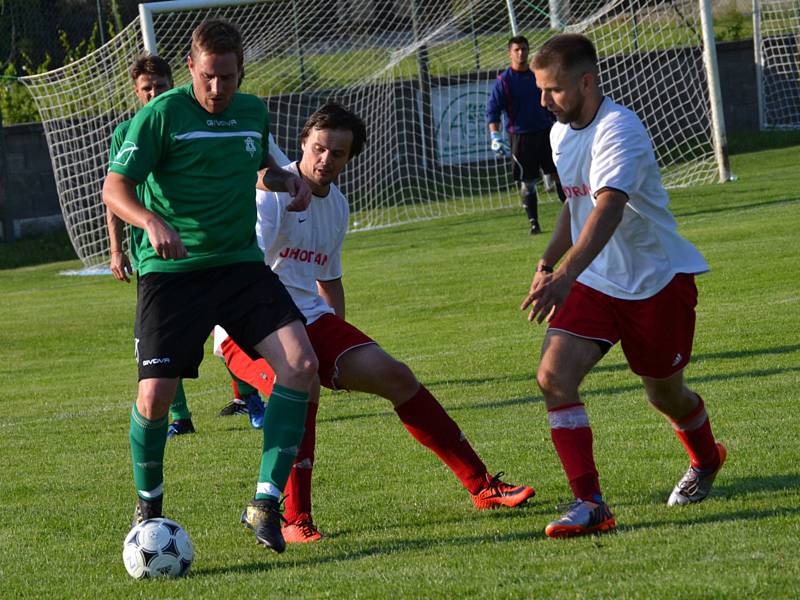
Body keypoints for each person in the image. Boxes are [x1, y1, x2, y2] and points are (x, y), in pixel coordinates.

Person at [217, 103, 536, 544]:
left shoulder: (339, 206)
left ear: (350, 158)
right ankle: (294, 519)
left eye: (338, 153)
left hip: (308, 318)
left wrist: (338, 352)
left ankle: (482, 487)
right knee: (302, 383)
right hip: (246, 323)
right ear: (303, 143)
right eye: (318, 148)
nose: (326, 159)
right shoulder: (271, 192)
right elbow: (245, 269)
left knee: (396, 376)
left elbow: (328, 280)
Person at [102, 19, 317, 554]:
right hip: (171, 273)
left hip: (239, 264)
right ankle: (148, 505)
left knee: (301, 365)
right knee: (155, 398)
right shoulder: (162, 114)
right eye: (207, 78)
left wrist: (287, 179)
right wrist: (150, 222)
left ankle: (265, 503)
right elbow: (114, 187)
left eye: (227, 78)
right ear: (192, 69)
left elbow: (257, 165)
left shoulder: (252, 111)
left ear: (240, 71)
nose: (217, 90)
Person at [520, 33, 726, 539]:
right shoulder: (560, 134)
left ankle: (706, 458)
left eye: (553, 90)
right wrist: (550, 262)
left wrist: (565, 275)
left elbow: (608, 207)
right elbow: (576, 205)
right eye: (540, 91)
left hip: (656, 281)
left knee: (665, 396)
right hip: (595, 280)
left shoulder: (620, 129)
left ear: (586, 81)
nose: (544, 102)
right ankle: (589, 502)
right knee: (553, 377)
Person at [105, 55, 266, 437]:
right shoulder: (131, 129)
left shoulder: (202, 116)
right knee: (160, 345)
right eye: (147, 89)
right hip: (154, 253)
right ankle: (179, 416)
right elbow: (113, 192)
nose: (154, 93)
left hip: (214, 251)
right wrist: (117, 250)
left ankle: (249, 396)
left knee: (227, 329)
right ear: (136, 92)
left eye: (160, 86)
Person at [486, 35, 561, 235]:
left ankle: (574, 214)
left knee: (559, 175)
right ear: (510, 53)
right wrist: (495, 136)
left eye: (524, 49)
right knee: (527, 183)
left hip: (546, 133)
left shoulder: (538, 75)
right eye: (517, 50)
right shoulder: (504, 81)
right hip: (521, 138)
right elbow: (492, 111)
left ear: (529, 51)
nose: (521, 53)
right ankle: (534, 224)